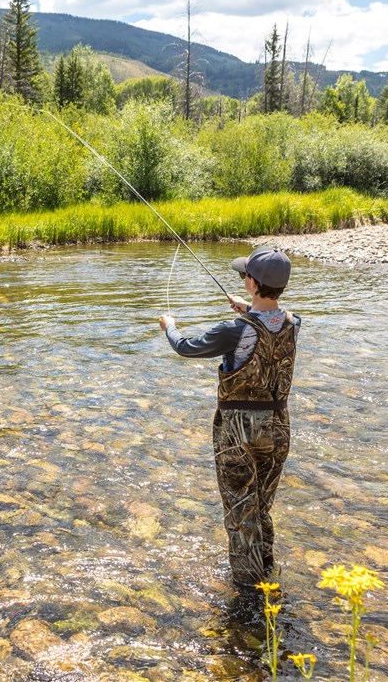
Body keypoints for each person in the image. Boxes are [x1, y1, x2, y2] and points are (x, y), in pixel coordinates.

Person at [157, 247, 299, 586]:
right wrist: (248, 307)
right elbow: (269, 321)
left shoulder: (233, 330)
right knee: (260, 506)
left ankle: (248, 591)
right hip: (278, 428)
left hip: (238, 432)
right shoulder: (294, 322)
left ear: (252, 283)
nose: (243, 279)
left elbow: (185, 347)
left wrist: (169, 326)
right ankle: (266, 573)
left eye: (245, 276)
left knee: (240, 513)